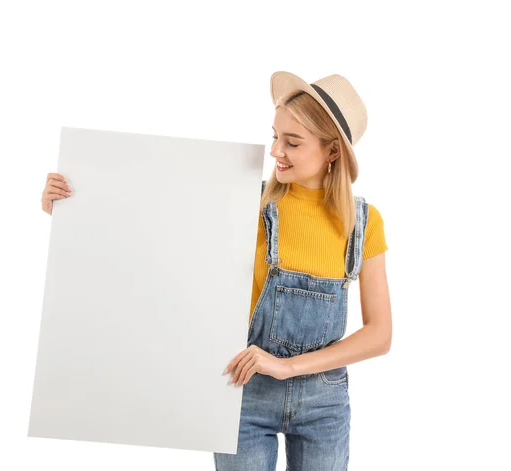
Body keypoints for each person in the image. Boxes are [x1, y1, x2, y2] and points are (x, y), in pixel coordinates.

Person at [40, 70, 391, 471]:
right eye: (275, 135)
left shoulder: (364, 222)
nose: (276, 151)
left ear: (332, 152)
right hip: (242, 392)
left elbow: (379, 335)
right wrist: (73, 204)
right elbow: (152, 233)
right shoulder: (244, 201)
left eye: (292, 142)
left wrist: (286, 366)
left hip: (323, 402)